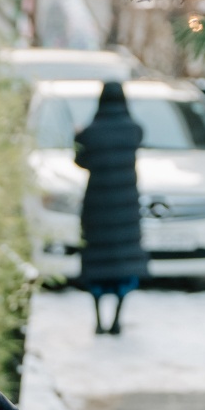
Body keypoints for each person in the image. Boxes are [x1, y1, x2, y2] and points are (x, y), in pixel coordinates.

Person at [74, 80, 147, 336]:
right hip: (125, 207)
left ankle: (97, 318)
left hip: (97, 208)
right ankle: (116, 319)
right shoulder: (134, 131)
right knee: (122, 265)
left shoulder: (91, 132)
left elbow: (81, 160)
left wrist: (77, 135)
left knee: (97, 264)